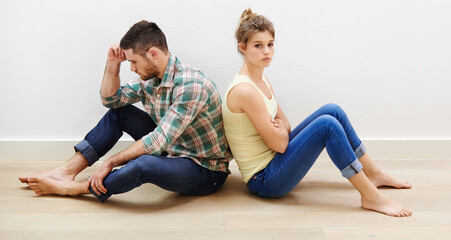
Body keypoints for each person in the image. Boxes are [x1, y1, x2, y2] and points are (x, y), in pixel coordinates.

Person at [222, 9, 412, 217]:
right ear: (243, 48)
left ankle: (373, 173)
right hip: (265, 180)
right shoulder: (245, 90)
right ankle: (370, 196)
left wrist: (280, 128)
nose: (266, 51)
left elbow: (284, 123)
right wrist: (279, 129)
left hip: (275, 159)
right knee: (327, 126)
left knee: (333, 111)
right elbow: (280, 143)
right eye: (258, 46)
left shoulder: (261, 80)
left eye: (270, 44)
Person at [19, 20, 233, 202]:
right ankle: (66, 172)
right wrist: (113, 64)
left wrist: (110, 162)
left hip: (204, 168)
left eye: (133, 61)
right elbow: (110, 100)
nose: (131, 68)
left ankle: (81, 188)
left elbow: (158, 141)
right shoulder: (151, 79)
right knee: (120, 113)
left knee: (144, 164)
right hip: (174, 149)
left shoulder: (190, 85)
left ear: (153, 54)